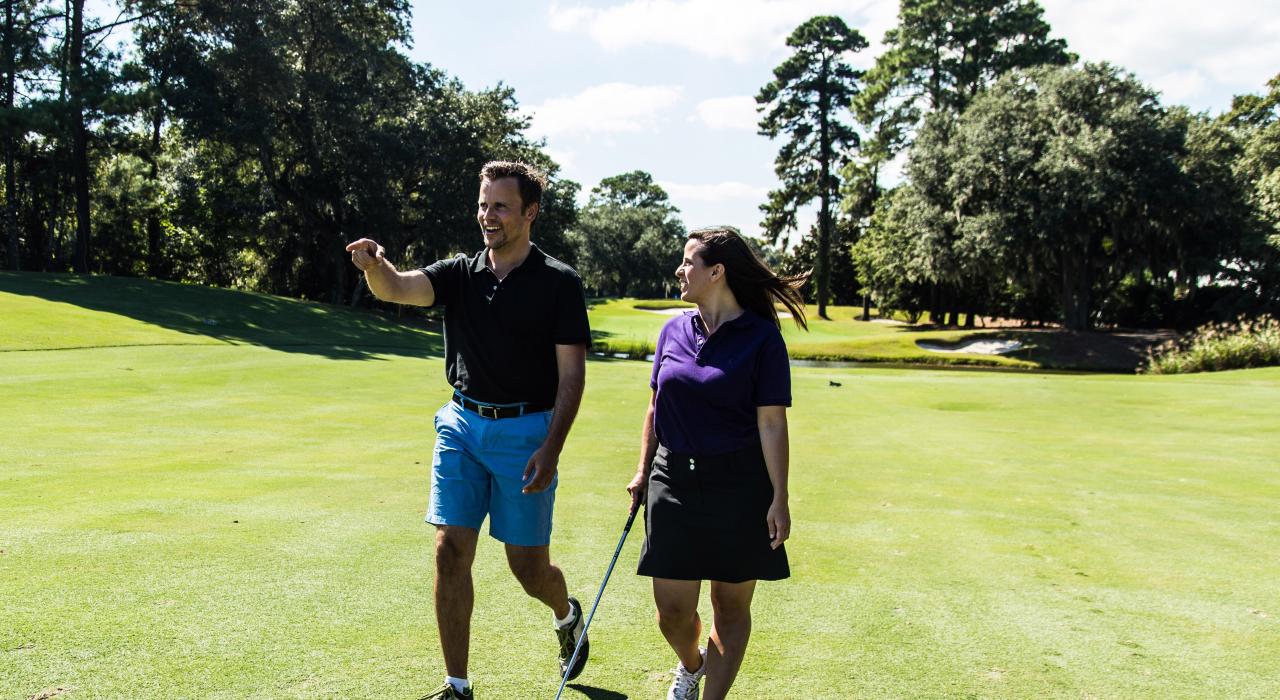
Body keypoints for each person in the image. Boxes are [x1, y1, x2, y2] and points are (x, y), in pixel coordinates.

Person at [346, 161, 591, 700]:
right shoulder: (460, 272)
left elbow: (572, 377)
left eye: (500, 206)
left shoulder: (559, 283)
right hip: (460, 424)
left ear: (530, 212)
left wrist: (551, 449)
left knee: (527, 568)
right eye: (483, 205)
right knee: (449, 550)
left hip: (527, 434)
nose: (488, 216)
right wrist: (374, 265)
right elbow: (399, 288)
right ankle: (457, 685)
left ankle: (565, 611)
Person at [626, 226, 807, 700]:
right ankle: (691, 664)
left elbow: (771, 423)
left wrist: (780, 498)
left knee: (729, 607)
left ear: (717, 271)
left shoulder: (762, 339)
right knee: (672, 611)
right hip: (673, 481)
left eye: (688, 262)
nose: (679, 270)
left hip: (739, 486)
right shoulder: (672, 330)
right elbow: (654, 407)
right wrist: (643, 470)